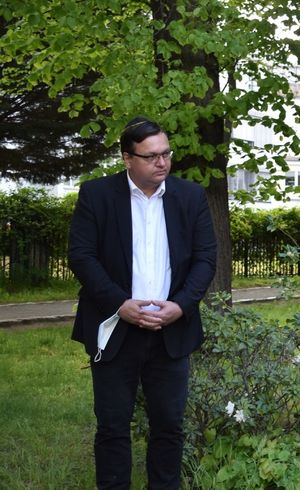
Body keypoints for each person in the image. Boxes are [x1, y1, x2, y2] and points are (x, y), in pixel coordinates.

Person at [68, 116, 217, 489]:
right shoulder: (97, 195)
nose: (162, 162)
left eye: (166, 153)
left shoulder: (190, 196)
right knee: (113, 426)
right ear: (127, 158)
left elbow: (205, 259)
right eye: (151, 156)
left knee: (169, 426)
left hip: (171, 330)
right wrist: (120, 303)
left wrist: (180, 306)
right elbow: (82, 256)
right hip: (116, 328)